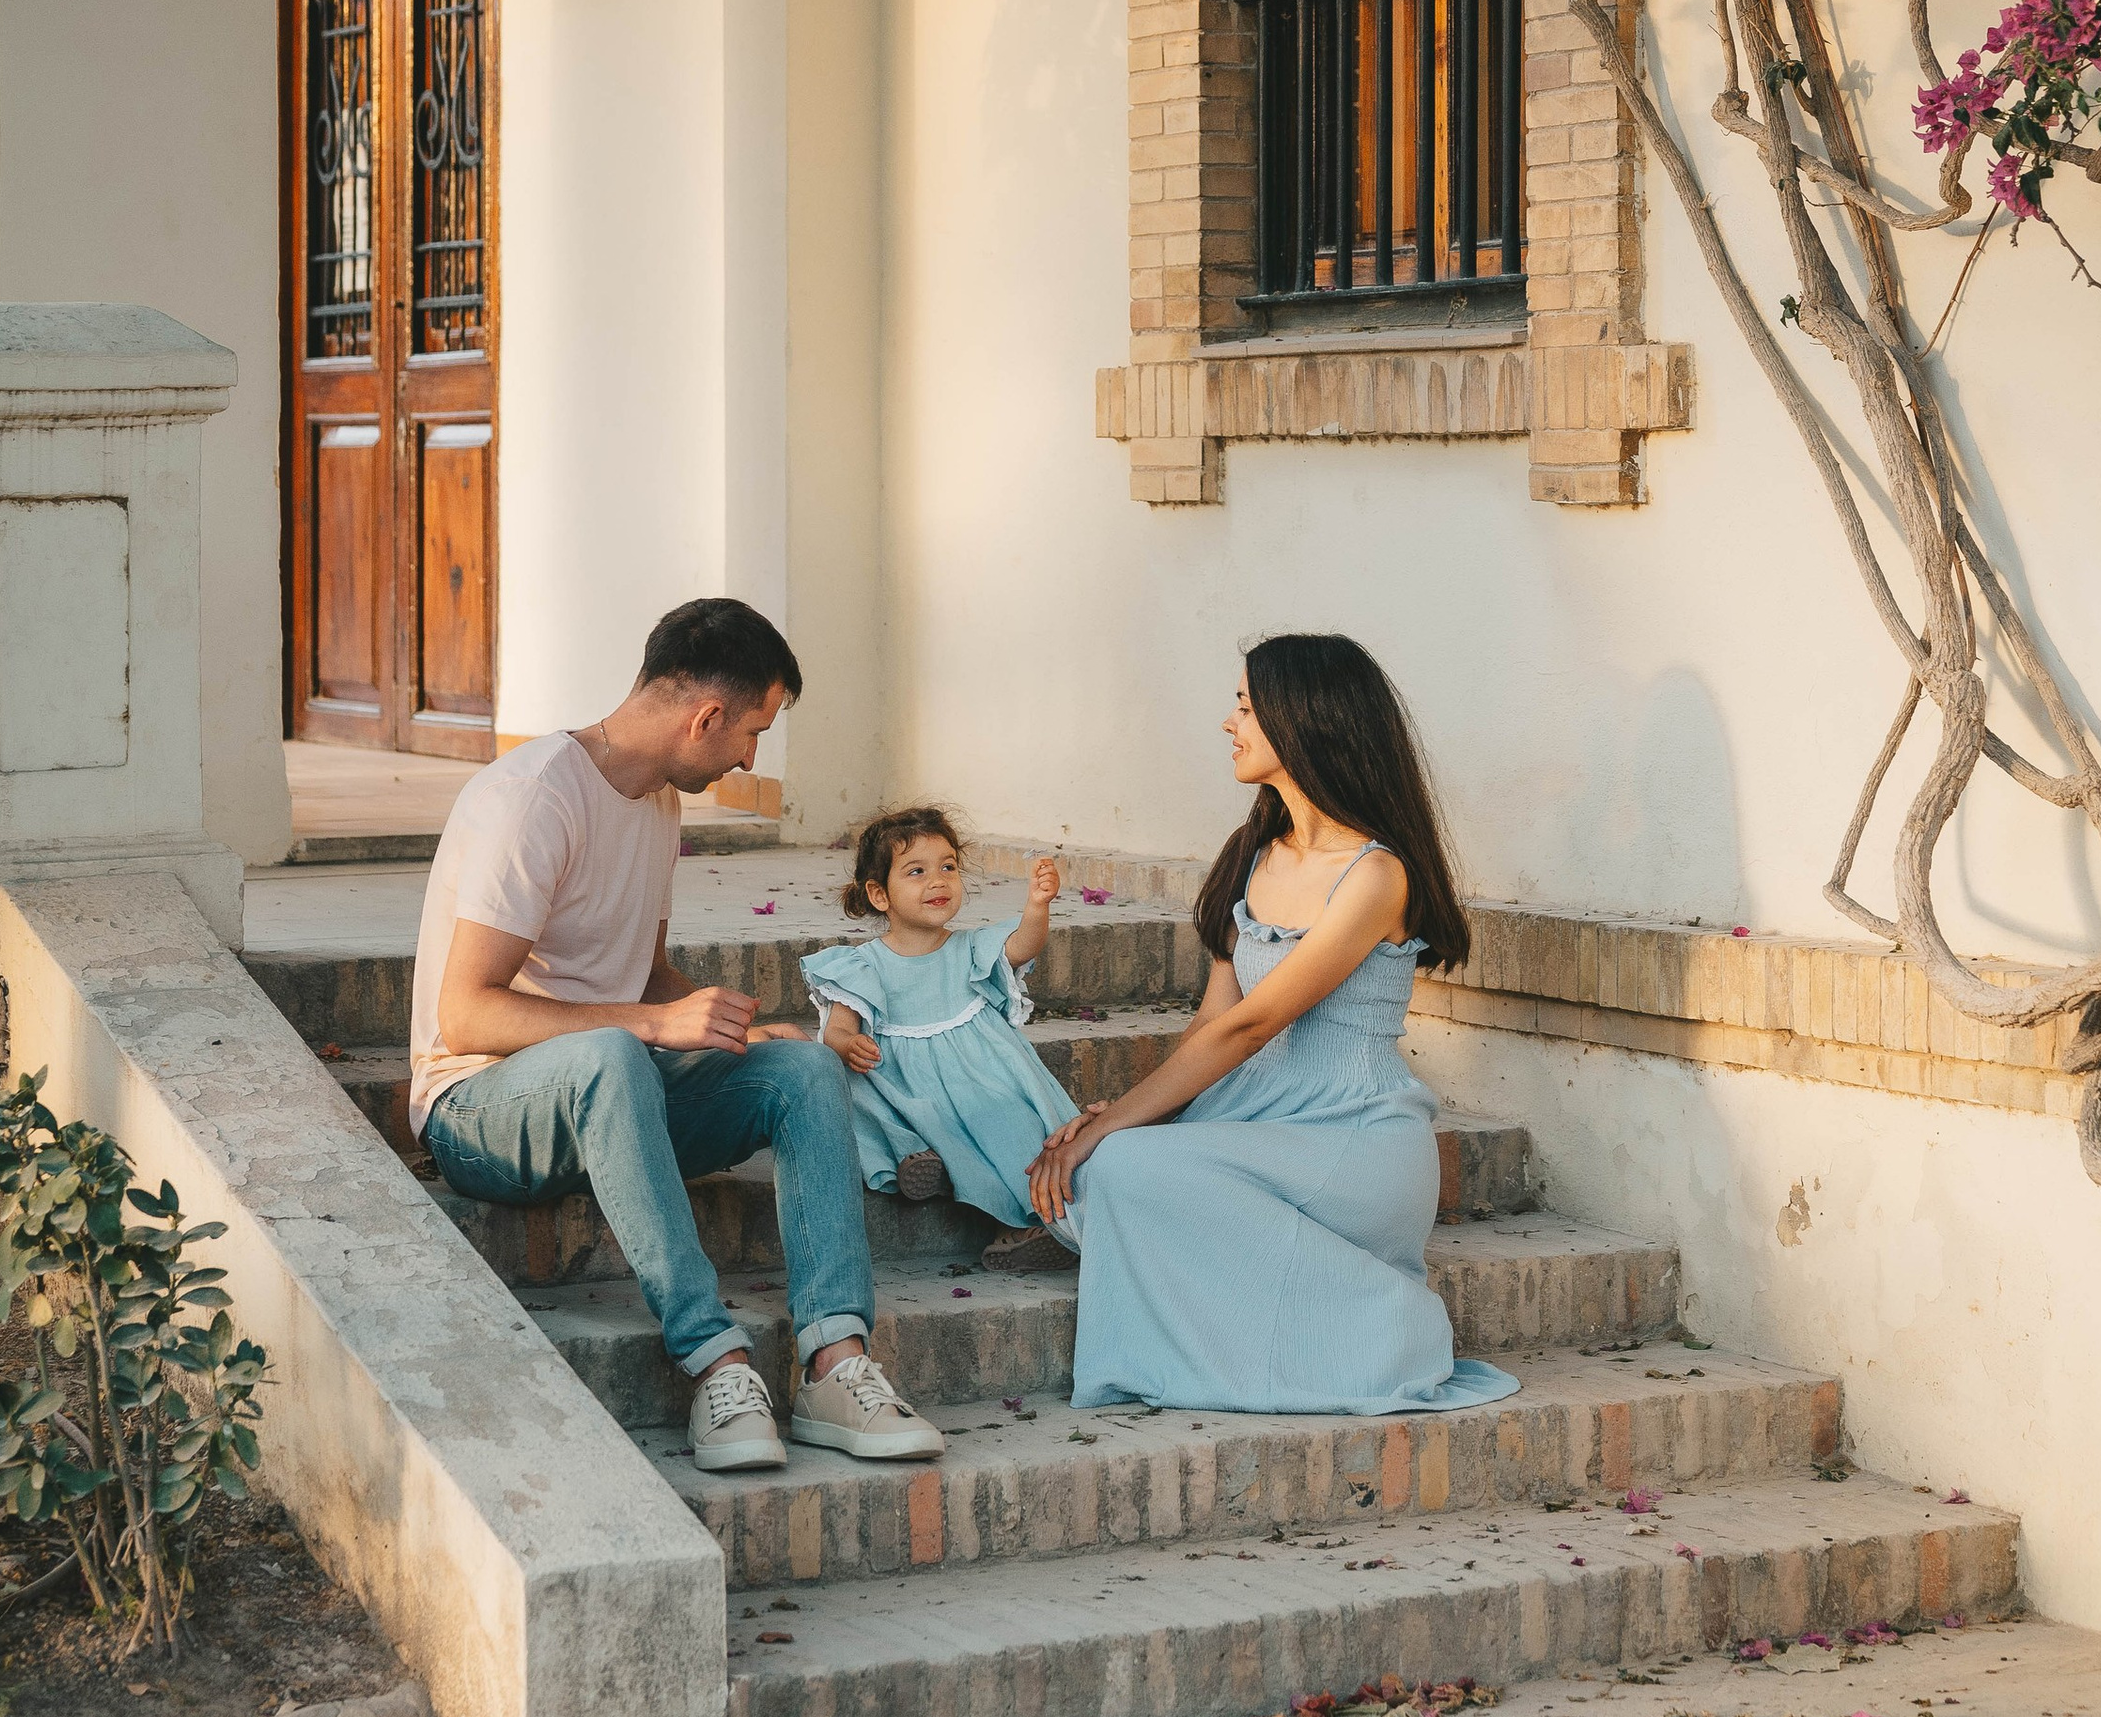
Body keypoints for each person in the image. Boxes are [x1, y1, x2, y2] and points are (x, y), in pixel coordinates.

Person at [409, 596, 943, 1476]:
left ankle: (835, 1366)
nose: (749, 756)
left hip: (613, 1092)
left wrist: (727, 1024)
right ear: (707, 716)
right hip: (480, 1105)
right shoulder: (535, 797)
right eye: (751, 733)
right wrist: (654, 1025)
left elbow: (644, 974)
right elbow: (465, 1011)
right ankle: (716, 1364)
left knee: (803, 1070)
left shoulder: (658, 804)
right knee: (615, 1054)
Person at [1027, 632, 1517, 1418]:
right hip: (1259, 1115)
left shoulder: (1377, 875)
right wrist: (1124, 1117)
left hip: (1352, 1134)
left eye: (1247, 705)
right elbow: (1211, 1023)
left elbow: (1251, 1026)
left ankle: (1382, 1331)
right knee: (1104, 1160)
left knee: (1116, 1165)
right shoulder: (1253, 851)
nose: (1229, 722)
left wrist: (1115, 1125)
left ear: (1305, 720)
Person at [801, 810, 1080, 1228]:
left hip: (977, 1076)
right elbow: (839, 1026)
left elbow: (1022, 946)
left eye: (948, 867)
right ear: (880, 895)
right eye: (917, 871)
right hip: (902, 1084)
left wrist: (1037, 906)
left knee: (1006, 1122)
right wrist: (845, 1043)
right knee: (848, 1090)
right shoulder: (861, 966)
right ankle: (913, 1155)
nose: (938, 881)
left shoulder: (970, 947)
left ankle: (1036, 1220)